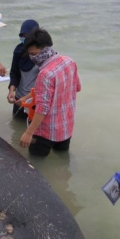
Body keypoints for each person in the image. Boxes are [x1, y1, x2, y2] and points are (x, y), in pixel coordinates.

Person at [17, 29, 81, 157]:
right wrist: (29, 96)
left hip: (46, 131)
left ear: (45, 49)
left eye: (33, 53)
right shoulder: (69, 61)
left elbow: (42, 108)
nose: (32, 57)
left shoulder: (45, 74)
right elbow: (77, 87)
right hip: (65, 127)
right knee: (62, 160)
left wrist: (29, 133)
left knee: (36, 164)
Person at [8, 19, 40, 119]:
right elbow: (14, 73)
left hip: (35, 100)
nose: (24, 39)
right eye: (22, 36)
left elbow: (43, 84)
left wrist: (27, 98)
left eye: (27, 36)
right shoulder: (18, 51)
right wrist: (11, 91)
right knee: (16, 127)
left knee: (32, 129)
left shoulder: (42, 55)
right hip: (19, 99)